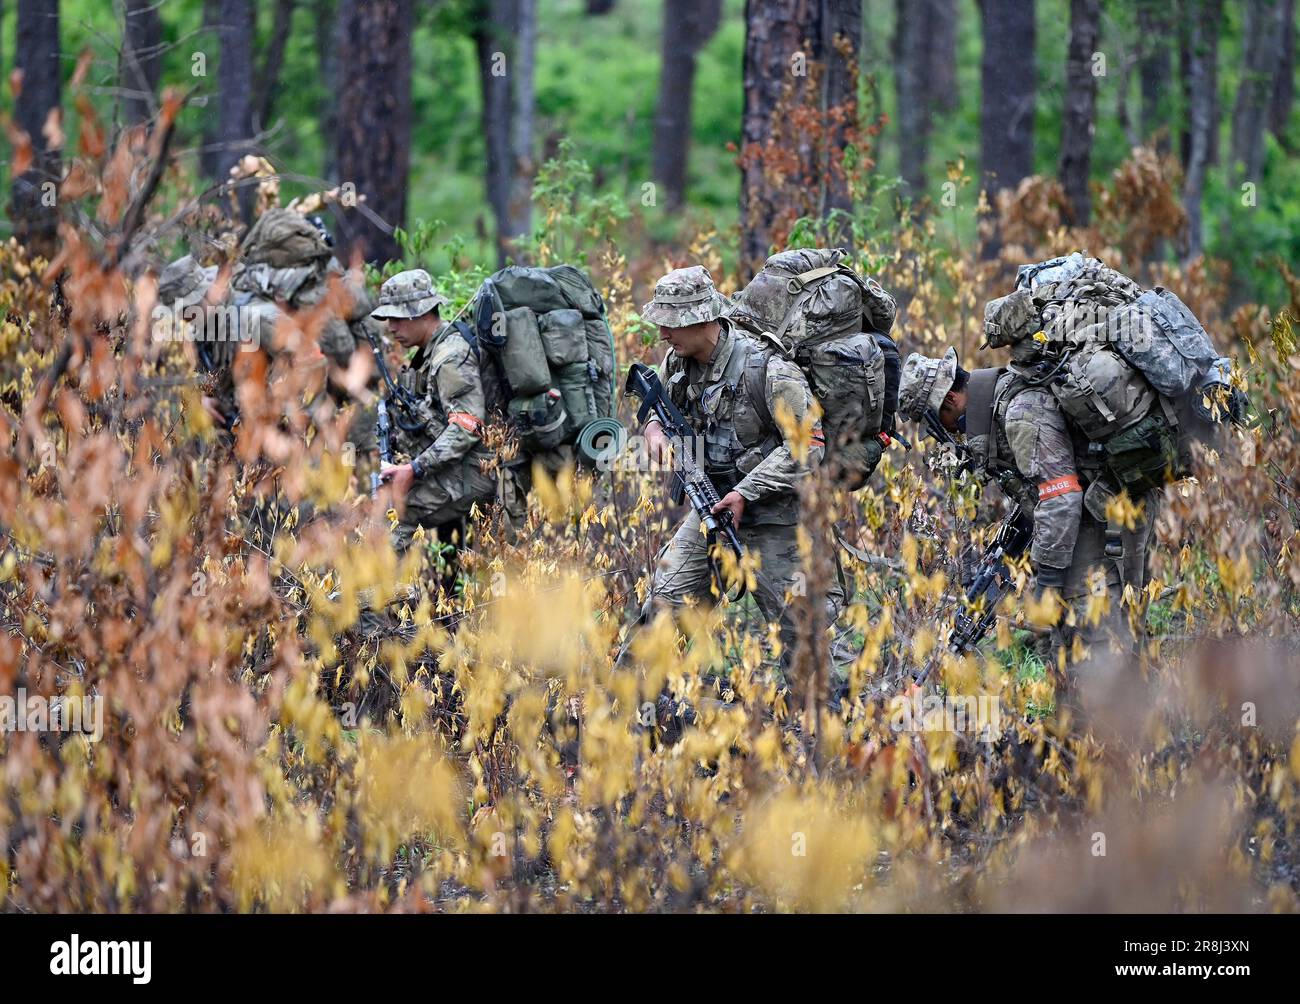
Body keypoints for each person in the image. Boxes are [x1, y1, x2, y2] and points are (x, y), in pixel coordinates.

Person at [897, 345, 1156, 678]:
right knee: (1071, 644)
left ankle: (1126, 722)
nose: (949, 434)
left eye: (939, 424)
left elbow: (1061, 498)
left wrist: (1046, 584)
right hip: (1090, 522)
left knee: (1101, 644)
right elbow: (1042, 490)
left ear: (949, 401)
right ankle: (1081, 723)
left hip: (1108, 523)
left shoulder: (1019, 412)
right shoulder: (999, 407)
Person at [636, 265, 844, 668]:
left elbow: (807, 446)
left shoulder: (766, 368)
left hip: (776, 519)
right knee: (664, 606)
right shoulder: (678, 362)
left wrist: (746, 492)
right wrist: (653, 427)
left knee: (801, 637)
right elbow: (653, 400)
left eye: (671, 323)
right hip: (710, 511)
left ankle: (831, 725)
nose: (663, 333)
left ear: (703, 319)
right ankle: (629, 712)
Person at [370, 268, 500, 554]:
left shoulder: (449, 356)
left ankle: (378, 597)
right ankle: (441, 593)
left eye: (397, 318)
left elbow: (468, 425)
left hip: (480, 470)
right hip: (461, 466)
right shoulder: (430, 352)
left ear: (420, 313)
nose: (391, 327)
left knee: (393, 519)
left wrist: (414, 470)